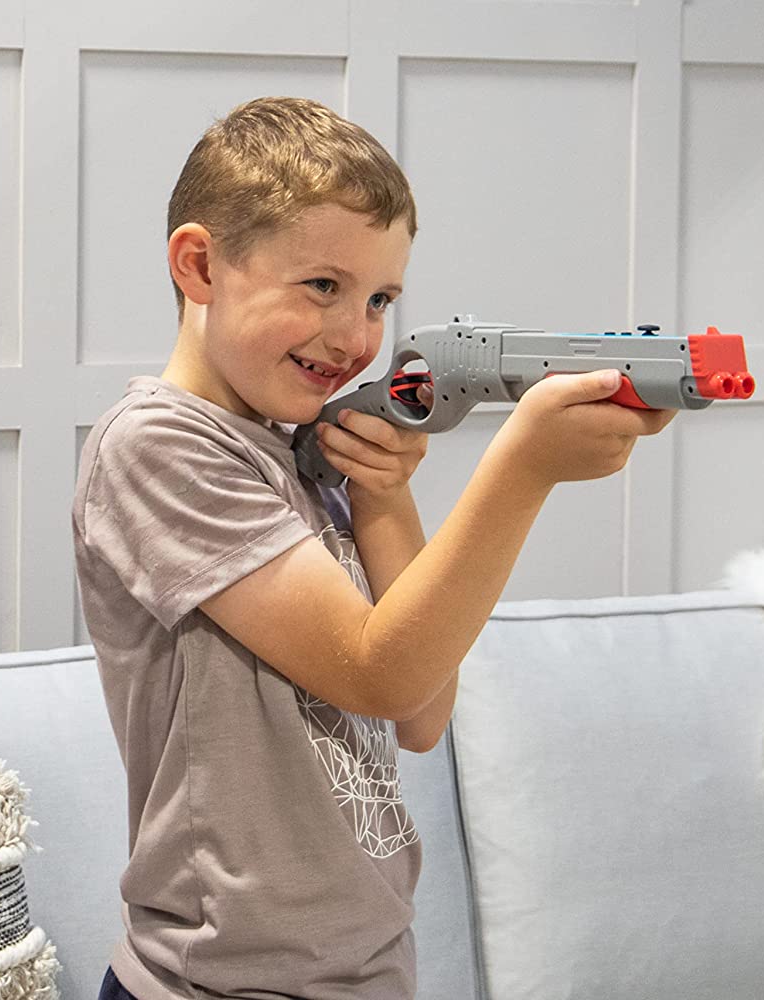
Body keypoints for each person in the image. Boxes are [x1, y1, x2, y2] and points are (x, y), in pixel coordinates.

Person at [72, 95, 675, 1000]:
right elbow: (380, 676)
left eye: (380, 300)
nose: (357, 338)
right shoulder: (158, 446)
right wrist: (523, 471)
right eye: (323, 285)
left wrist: (383, 495)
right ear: (199, 265)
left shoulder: (302, 454)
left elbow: (423, 714)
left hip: (365, 974)